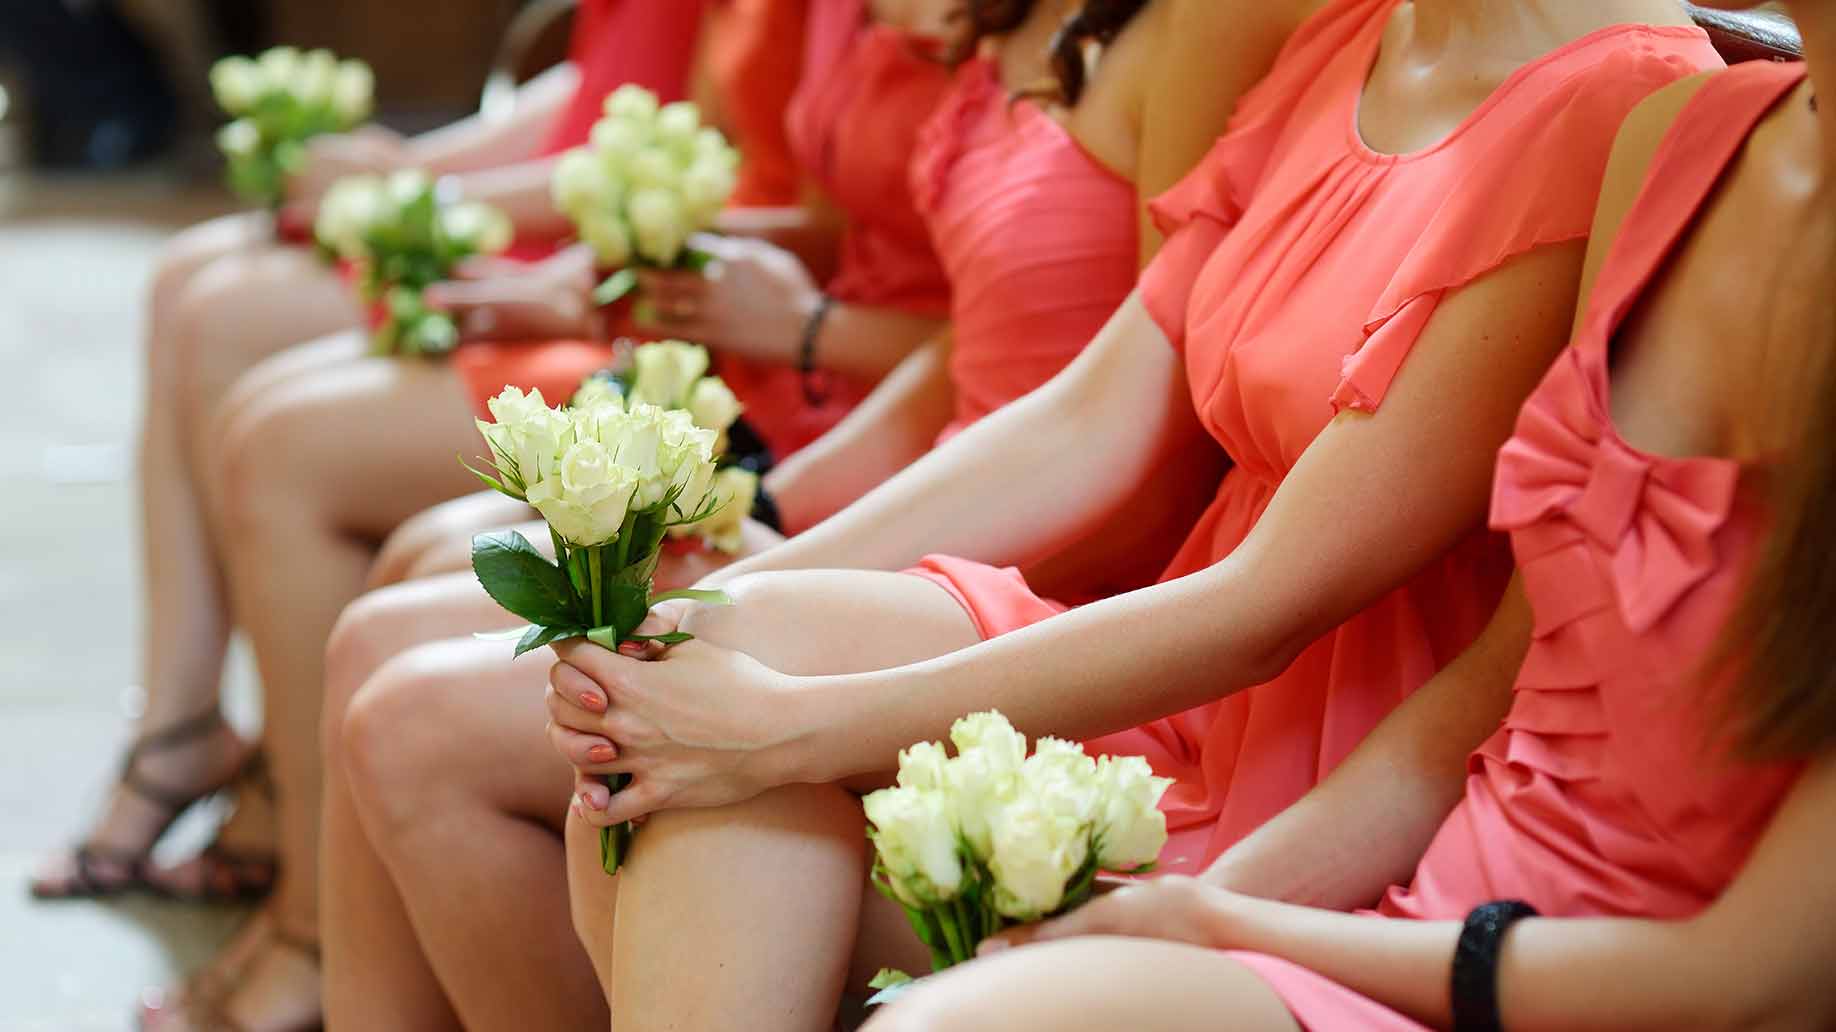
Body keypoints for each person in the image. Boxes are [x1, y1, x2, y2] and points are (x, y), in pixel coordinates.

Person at [543, 0, 1721, 1027]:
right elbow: (1095, 413)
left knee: (716, 764)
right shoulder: (1355, 34)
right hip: (1203, 682)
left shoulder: (1627, 100)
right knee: (700, 664)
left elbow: (1275, 603)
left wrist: (787, 728)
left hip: (1342, 741)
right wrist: (730, 595)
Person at [319, 0, 1285, 1028]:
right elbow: (974, 363)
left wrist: (791, 509)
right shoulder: (1011, 26)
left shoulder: (1205, 28)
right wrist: (771, 514)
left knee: (426, 715)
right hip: (945, 515)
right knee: (420, 635)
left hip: (1070, 576)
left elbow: (1147, 457)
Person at [868, 6, 1836, 1027]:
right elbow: (1489, 699)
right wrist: (1210, 909)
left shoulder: (1623, 96)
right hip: (1419, 906)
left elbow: (1748, 979)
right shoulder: (1693, 133)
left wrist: (1242, 930)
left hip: (1566, 987)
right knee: (760, 817)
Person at [30, 0, 722, 907]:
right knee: (189, 283)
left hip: (642, 286)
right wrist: (407, 171)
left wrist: (416, 198)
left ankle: (292, 839)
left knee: (247, 373)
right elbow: (603, 80)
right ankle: (186, 726)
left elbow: (707, 143)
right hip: (600, 233)